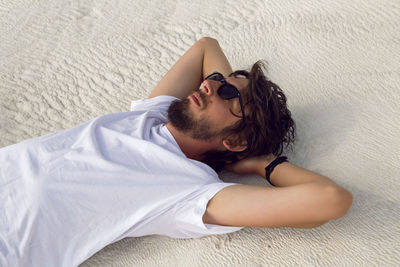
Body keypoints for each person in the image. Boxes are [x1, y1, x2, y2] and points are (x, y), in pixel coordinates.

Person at [0, 37, 353, 266]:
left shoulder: (187, 190)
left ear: (235, 141)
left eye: (228, 95)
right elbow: (205, 47)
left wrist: (262, 163)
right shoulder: (151, 115)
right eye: (217, 79)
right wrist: (232, 92)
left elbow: (329, 200)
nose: (209, 84)